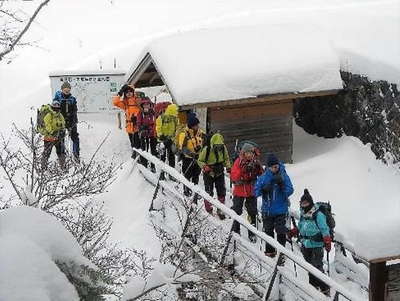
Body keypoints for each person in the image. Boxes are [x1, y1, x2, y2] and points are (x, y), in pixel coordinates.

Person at [288, 189, 331, 296]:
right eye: (302, 203)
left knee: (317, 266)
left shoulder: (318, 214)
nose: (304, 205)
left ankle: (325, 288)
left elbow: (324, 228)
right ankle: (313, 287)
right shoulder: (303, 213)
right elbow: (302, 225)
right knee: (309, 266)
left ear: (310, 202)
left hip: (317, 244)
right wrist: (295, 231)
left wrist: (327, 241)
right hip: (305, 243)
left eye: (306, 203)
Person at [255, 153, 294, 258]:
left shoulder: (283, 175)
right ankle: (270, 251)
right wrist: (263, 189)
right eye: (272, 167)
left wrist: (282, 186)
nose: (274, 169)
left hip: (281, 209)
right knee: (268, 231)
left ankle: (282, 252)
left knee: (280, 230)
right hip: (267, 210)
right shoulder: (264, 177)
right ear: (268, 167)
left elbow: (290, 190)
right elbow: (256, 192)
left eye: (276, 166)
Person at [230, 143, 263, 242]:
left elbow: (262, 175)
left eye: (251, 153)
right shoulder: (238, 162)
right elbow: (234, 176)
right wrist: (243, 170)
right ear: (243, 153)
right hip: (240, 189)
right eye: (247, 153)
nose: (249, 155)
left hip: (251, 189)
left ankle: (252, 233)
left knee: (252, 212)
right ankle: (236, 230)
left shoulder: (256, 162)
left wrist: (258, 169)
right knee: (237, 210)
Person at [197, 132, 231, 219]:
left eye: (220, 146)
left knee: (221, 191)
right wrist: (205, 166)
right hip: (209, 173)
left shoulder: (223, 148)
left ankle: (220, 210)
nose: (218, 148)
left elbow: (226, 158)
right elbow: (200, 160)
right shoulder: (207, 149)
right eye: (217, 146)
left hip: (219, 171)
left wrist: (228, 167)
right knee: (209, 191)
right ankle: (208, 209)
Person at [177, 115, 204, 197]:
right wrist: (192, 154)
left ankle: (195, 191)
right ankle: (186, 191)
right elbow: (183, 148)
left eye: (197, 125)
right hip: (188, 159)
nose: (197, 126)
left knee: (196, 175)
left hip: (198, 158)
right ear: (192, 126)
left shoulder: (200, 133)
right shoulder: (184, 134)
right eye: (196, 125)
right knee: (187, 175)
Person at [53, 81, 80, 162]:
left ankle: (76, 155)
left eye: (68, 89)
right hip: (60, 122)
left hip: (71, 121)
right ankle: (62, 158)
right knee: (60, 139)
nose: (67, 90)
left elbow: (75, 111)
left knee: (75, 138)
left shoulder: (72, 99)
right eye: (65, 89)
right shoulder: (57, 99)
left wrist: (73, 121)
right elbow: (54, 110)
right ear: (62, 89)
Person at [112, 84, 141, 158]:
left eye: (130, 91)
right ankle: (136, 158)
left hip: (137, 126)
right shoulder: (125, 103)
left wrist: (137, 119)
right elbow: (115, 102)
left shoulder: (137, 100)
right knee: (133, 144)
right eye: (126, 92)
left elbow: (143, 109)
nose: (128, 93)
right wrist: (119, 93)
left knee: (138, 145)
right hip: (129, 127)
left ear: (133, 92)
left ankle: (139, 158)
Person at [41, 101, 66, 170]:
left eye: (57, 108)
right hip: (49, 138)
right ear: (52, 107)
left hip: (58, 137)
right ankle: (43, 168)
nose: (56, 109)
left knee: (61, 152)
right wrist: (52, 132)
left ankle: (63, 167)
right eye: (55, 108)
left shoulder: (60, 115)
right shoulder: (49, 115)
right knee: (47, 153)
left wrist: (62, 130)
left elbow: (63, 123)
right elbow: (47, 124)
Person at [155, 103, 179, 168]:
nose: (173, 117)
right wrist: (160, 135)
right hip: (163, 139)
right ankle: (161, 172)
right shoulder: (162, 117)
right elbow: (158, 127)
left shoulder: (175, 118)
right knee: (162, 156)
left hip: (171, 139)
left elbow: (177, 128)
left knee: (171, 156)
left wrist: (174, 137)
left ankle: (172, 172)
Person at [137, 97, 157, 172]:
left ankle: (153, 165)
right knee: (144, 150)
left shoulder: (153, 113)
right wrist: (142, 128)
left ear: (150, 105)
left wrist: (151, 129)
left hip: (152, 134)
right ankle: (144, 164)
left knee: (153, 151)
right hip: (144, 134)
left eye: (147, 104)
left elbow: (155, 122)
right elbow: (138, 123)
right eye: (144, 104)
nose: (146, 106)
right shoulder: (140, 113)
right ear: (142, 105)